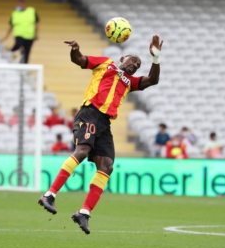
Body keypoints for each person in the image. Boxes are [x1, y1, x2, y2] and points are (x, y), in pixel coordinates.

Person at [38, 35, 163, 234]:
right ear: (122, 59)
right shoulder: (106, 64)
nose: (135, 65)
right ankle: (50, 194)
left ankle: (84, 212)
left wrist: (155, 58)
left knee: (107, 165)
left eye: (138, 65)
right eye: (133, 60)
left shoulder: (129, 82)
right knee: (82, 151)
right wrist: (75, 49)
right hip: (90, 113)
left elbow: (152, 80)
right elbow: (79, 60)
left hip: (105, 123)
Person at [1, 0, 39, 64]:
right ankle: (9, 53)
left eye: (18, 5)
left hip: (30, 36)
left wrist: (36, 34)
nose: (17, 6)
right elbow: (11, 26)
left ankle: (24, 66)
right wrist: (6, 37)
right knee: (18, 45)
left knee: (27, 52)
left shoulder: (31, 11)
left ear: (23, 4)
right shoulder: (14, 14)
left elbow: (37, 23)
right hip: (19, 34)